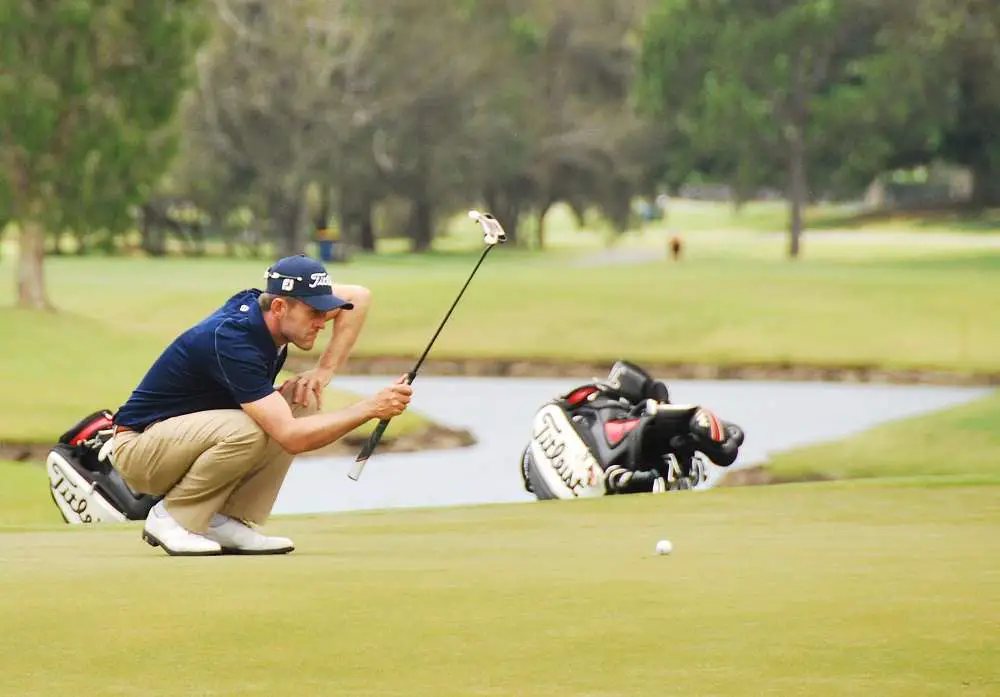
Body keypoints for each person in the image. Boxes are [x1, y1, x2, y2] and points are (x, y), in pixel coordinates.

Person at [110, 254, 412, 557]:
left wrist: (324, 370)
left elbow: (358, 297)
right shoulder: (233, 339)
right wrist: (369, 407)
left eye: (325, 311)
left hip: (183, 440)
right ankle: (172, 517)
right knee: (250, 429)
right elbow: (292, 438)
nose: (323, 322)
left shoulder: (268, 309)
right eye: (314, 312)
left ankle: (221, 518)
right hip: (140, 450)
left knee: (300, 401)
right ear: (280, 307)